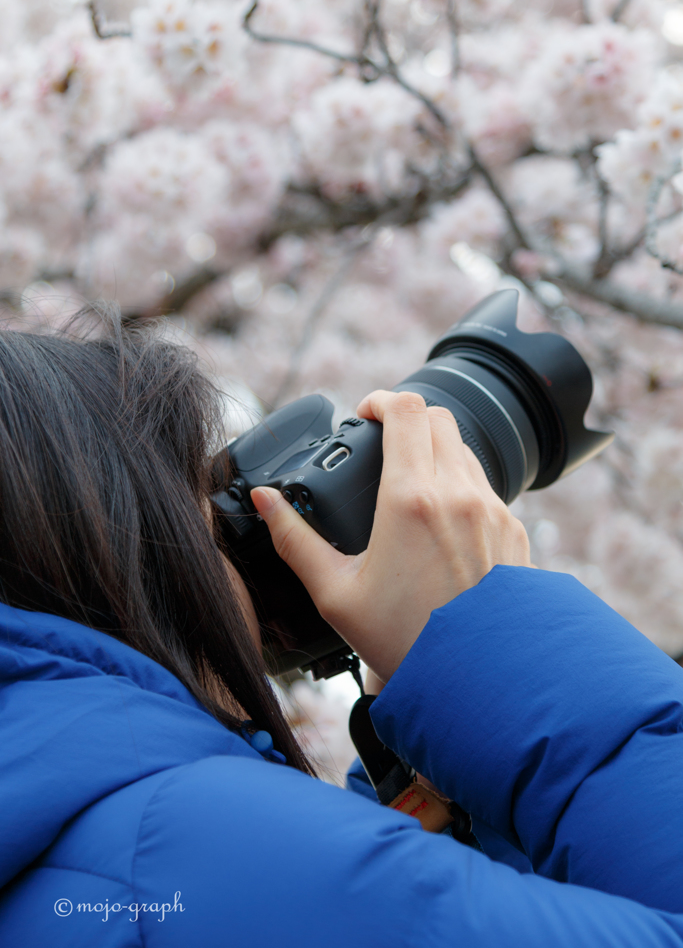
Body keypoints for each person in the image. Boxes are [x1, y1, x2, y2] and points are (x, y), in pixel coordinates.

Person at [1, 307, 683, 948]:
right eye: (201, 499)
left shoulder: (83, 846)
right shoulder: (202, 842)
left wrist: (434, 761)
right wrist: (495, 640)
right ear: (112, 544)